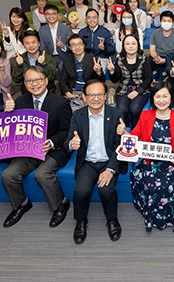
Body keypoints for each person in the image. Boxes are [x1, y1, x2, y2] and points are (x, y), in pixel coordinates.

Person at [117, 81, 174, 232]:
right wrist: (125, 133)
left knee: (168, 186)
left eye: (165, 96)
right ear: (152, 98)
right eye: (157, 96)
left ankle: (172, 216)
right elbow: (135, 136)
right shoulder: (145, 115)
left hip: (172, 161)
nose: (161, 100)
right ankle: (151, 216)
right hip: (150, 161)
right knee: (152, 185)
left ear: (171, 98)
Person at [0, 66, 72, 228]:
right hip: (27, 151)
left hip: (53, 149)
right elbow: (11, 129)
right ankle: (22, 204)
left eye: (38, 79)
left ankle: (61, 203)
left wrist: (51, 142)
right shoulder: (19, 102)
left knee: (42, 174)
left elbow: (67, 130)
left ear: (46, 81)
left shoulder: (61, 103)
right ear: (25, 84)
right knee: (8, 174)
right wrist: (8, 113)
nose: (34, 84)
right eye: (29, 81)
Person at [66, 80, 126, 243]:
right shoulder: (78, 115)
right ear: (84, 97)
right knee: (81, 191)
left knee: (106, 190)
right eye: (91, 95)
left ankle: (112, 220)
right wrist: (72, 144)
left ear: (105, 96)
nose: (96, 98)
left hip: (109, 162)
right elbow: (68, 141)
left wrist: (111, 169)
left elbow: (121, 146)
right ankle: (81, 221)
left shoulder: (116, 114)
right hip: (88, 162)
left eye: (100, 94)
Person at [107, 34, 152, 128]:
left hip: (141, 89)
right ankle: (126, 131)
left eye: (133, 43)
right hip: (123, 89)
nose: (130, 46)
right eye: (127, 44)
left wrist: (137, 91)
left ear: (138, 45)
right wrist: (112, 71)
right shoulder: (119, 60)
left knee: (134, 109)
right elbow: (115, 80)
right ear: (123, 46)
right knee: (121, 109)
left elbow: (148, 79)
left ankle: (136, 130)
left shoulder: (144, 59)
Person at [59, 34, 106, 108]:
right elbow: (63, 81)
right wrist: (68, 93)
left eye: (79, 44)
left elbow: (102, 81)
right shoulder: (66, 62)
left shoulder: (94, 60)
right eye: (74, 45)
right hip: (74, 93)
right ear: (70, 48)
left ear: (84, 45)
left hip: (90, 93)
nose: (77, 47)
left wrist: (98, 72)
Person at [11, 30, 57, 94]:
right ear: (23, 46)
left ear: (39, 43)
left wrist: (44, 64)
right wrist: (19, 66)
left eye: (33, 42)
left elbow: (51, 78)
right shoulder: (20, 59)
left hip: (47, 93)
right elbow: (16, 80)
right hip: (27, 94)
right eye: (27, 43)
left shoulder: (48, 58)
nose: (31, 45)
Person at [39, 4, 73, 70]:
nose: (51, 16)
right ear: (45, 16)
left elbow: (72, 45)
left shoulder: (66, 29)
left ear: (58, 15)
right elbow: (42, 47)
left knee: (62, 67)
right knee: (45, 68)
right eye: (48, 14)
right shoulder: (42, 30)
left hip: (64, 56)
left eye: (53, 14)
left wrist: (63, 46)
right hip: (50, 56)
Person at [149, 11, 174, 78]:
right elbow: (152, 50)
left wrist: (164, 60)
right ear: (160, 22)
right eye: (164, 21)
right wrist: (157, 58)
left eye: (169, 21)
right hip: (157, 56)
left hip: (171, 58)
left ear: (172, 23)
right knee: (147, 64)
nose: (166, 23)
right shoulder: (155, 33)